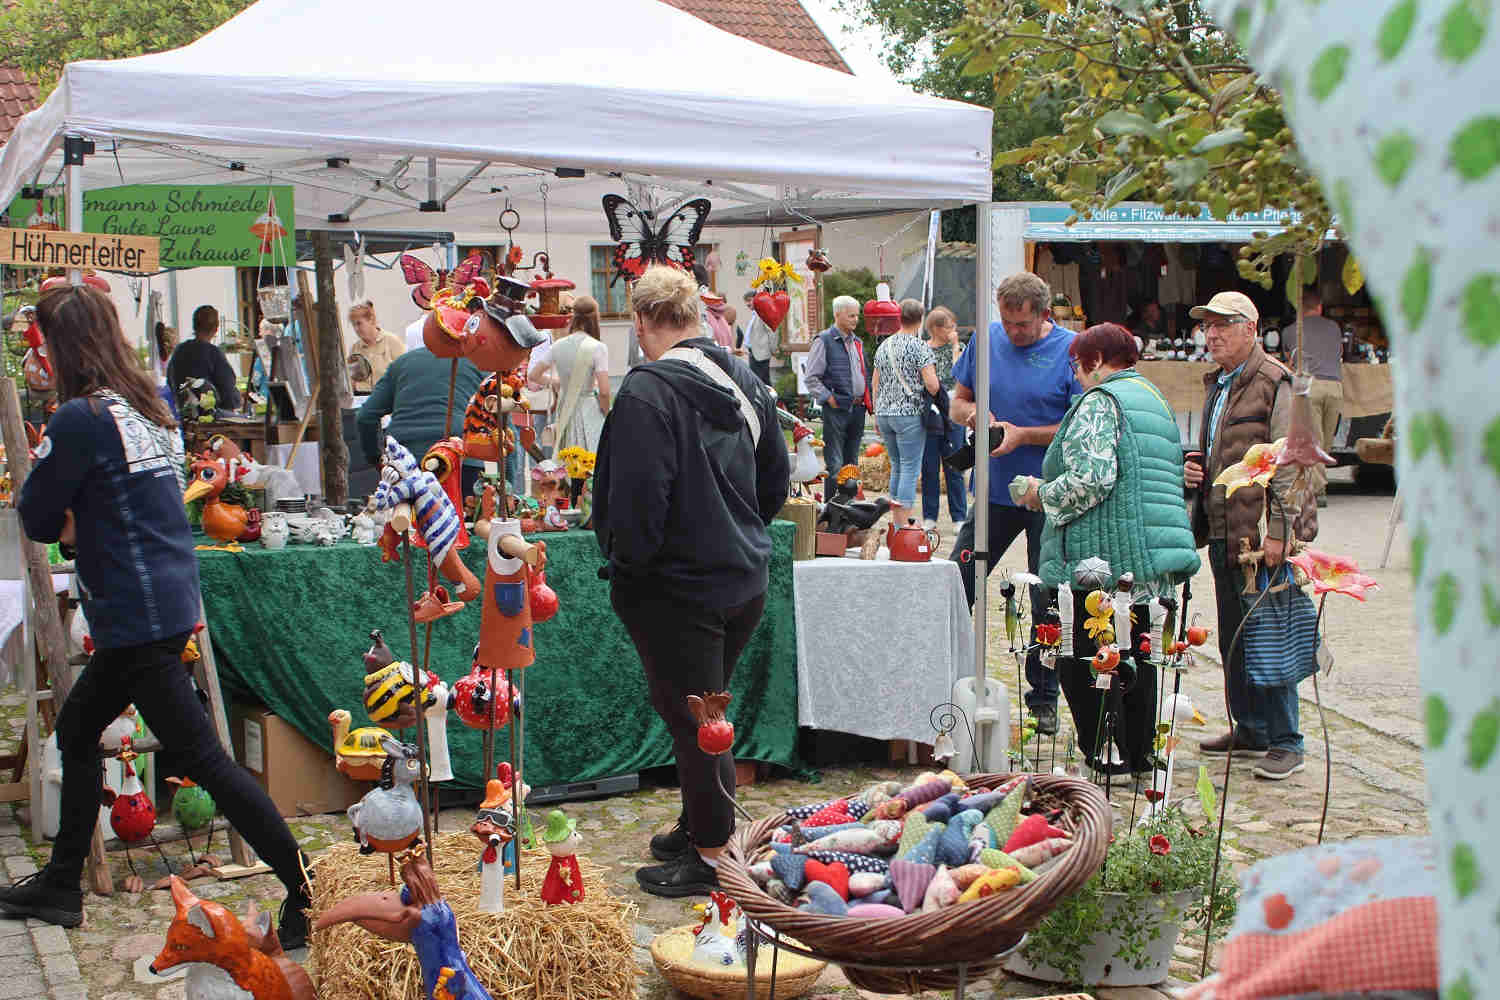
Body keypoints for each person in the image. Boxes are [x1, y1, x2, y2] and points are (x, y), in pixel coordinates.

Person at [0, 285, 311, 942]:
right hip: (163, 601)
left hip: (136, 616)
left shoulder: (80, 419)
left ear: (62, 348)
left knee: (204, 758)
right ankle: (60, 886)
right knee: (80, 730)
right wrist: (81, 521)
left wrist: (72, 518)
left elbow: (34, 515)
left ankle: (303, 885)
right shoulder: (146, 405)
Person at [594, 265, 789, 898]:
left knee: (698, 719)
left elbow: (635, 505)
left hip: (678, 585)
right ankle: (702, 820)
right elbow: (774, 484)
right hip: (741, 574)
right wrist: (735, 531)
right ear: (698, 317)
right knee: (705, 708)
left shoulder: (646, 390)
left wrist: (630, 565)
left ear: (643, 320)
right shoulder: (746, 381)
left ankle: (713, 856)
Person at [1016, 323, 1200, 777]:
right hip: (1145, 554)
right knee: (1139, 651)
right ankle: (1138, 754)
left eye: (1078, 366)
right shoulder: (1152, 398)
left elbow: (1090, 480)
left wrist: (1041, 494)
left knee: (1088, 656)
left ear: (1096, 360)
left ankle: (1106, 753)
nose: (1076, 376)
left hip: (1099, 555)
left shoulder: (1102, 402)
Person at [948, 272, 1083, 737]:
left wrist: (1025, 435)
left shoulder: (1071, 351)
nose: (1013, 333)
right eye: (1006, 322)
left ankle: (1044, 699)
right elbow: (957, 401)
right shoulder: (986, 340)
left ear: (1045, 316)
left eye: (1022, 325)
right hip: (992, 490)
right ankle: (942, 677)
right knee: (956, 579)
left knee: (1046, 595)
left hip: (1049, 492)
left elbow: (1080, 422)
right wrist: (974, 415)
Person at [1183, 291, 1305, 781]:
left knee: (1268, 632)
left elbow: (1291, 463)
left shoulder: (1275, 380)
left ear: (1251, 328)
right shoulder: (1220, 383)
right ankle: (1251, 726)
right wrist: (1198, 470)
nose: (1211, 335)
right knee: (1235, 635)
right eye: (1207, 327)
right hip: (1223, 529)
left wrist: (1280, 531)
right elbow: (1226, 452)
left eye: (1222, 326)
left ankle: (1286, 739)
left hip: (1258, 535)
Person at [357, 346, 484, 497]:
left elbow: (365, 416)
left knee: (403, 519)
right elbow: (504, 430)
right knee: (466, 517)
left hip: (404, 461)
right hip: (463, 462)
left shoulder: (402, 363)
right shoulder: (480, 363)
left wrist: (376, 459)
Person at [871, 298, 939, 527]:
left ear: (899, 317)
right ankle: (903, 523)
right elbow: (932, 385)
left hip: (884, 413)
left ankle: (896, 521)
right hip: (909, 413)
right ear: (920, 320)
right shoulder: (919, 347)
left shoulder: (884, 346)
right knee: (910, 466)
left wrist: (876, 414)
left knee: (897, 465)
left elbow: (875, 383)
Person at [1284, 286, 1343, 507]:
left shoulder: (1290, 331)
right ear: (1319, 307)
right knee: (1326, 440)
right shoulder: (1335, 328)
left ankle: (1317, 490)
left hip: (1310, 387)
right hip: (1335, 386)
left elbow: (1290, 360)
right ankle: (1318, 485)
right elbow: (1340, 355)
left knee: (1315, 439)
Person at [530, 295, 610, 453]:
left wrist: (556, 382)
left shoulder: (558, 345)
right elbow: (605, 392)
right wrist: (607, 414)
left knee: (567, 460)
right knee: (590, 461)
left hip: (565, 409)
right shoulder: (598, 347)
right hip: (589, 410)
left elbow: (534, 375)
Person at [804, 295, 870, 478]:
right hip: (837, 408)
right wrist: (829, 398)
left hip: (857, 408)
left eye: (857, 316)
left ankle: (849, 504)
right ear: (837, 314)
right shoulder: (824, 340)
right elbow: (810, 378)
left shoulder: (857, 342)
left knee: (852, 462)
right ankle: (834, 503)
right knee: (835, 462)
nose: (856, 319)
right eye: (851, 316)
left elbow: (864, 374)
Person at [920, 306, 967, 530]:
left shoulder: (959, 349)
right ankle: (930, 516)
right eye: (949, 327)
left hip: (953, 411)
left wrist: (955, 346)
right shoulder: (923, 349)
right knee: (929, 466)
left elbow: (958, 373)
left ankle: (959, 516)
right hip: (930, 411)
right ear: (936, 329)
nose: (953, 330)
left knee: (954, 464)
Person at [166, 305, 241, 410]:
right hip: (210, 418)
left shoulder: (179, 351)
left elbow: (170, 382)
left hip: (184, 415)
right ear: (216, 328)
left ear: (194, 326)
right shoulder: (213, 353)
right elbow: (228, 392)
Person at [346, 300, 406, 394]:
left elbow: (405, 373)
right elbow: (351, 379)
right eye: (353, 325)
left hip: (389, 397)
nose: (356, 329)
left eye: (359, 323)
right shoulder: (355, 348)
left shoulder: (392, 341)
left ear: (371, 320)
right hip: (363, 398)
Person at [741, 290, 776, 386]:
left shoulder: (763, 312)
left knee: (761, 382)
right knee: (762, 381)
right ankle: (769, 399)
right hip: (754, 352)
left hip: (761, 353)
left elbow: (771, 331)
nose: (747, 304)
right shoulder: (755, 314)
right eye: (746, 301)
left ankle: (768, 400)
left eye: (749, 300)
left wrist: (773, 349)